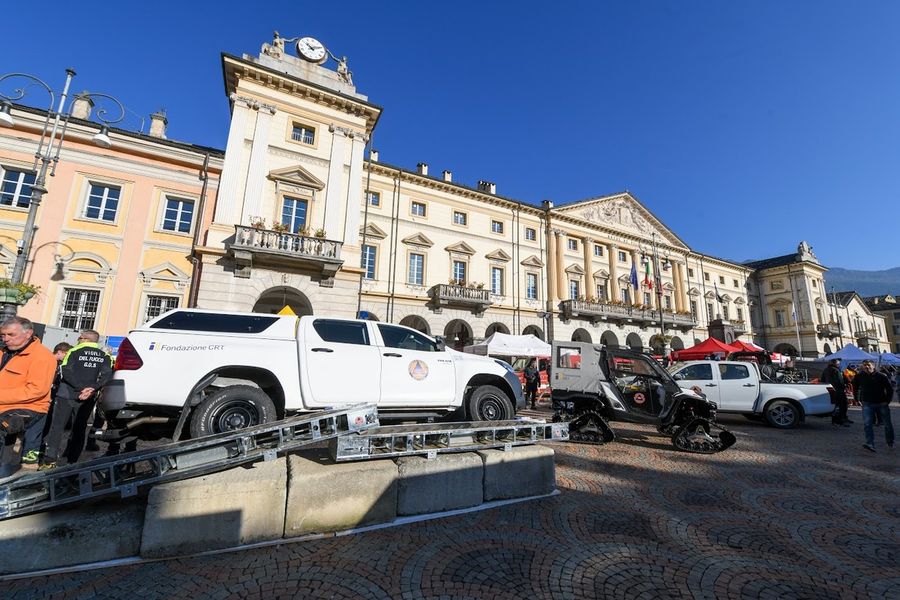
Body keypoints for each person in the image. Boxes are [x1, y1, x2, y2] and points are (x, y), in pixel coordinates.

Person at [40, 330, 113, 470]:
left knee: (57, 427)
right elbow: (106, 376)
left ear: (85, 339)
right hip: (88, 396)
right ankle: (72, 460)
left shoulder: (73, 351)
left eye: (80, 337)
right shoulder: (105, 356)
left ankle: (49, 460)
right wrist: (91, 389)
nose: (78, 340)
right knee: (79, 428)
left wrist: (80, 388)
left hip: (67, 394)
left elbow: (66, 371)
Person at [0, 317, 57, 478]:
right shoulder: (4, 352)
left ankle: (8, 474)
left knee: (4, 427)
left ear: (28, 333)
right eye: (3, 335)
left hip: (30, 408)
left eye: (11, 334)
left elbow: (36, 390)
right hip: (5, 405)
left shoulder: (42, 356)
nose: (6, 339)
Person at [853, 360, 894, 453]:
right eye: (864, 365)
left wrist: (887, 401)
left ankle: (890, 441)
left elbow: (889, 389)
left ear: (873, 366)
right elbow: (855, 387)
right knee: (867, 424)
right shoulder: (859, 376)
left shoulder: (881, 376)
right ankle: (870, 443)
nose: (866, 367)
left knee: (887, 424)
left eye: (868, 365)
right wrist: (857, 399)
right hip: (867, 403)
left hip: (881, 403)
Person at [820, 358, 851, 426]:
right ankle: (841, 420)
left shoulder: (826, 370)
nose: (839, 365)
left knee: (835, 406)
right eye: (838, 364)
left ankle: (836, 420)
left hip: (830, 390)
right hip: (839, 391)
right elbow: (840, 381)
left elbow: (822, 380)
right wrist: (844, 386)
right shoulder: (836, 370)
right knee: (842, 406)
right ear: (835, 363)